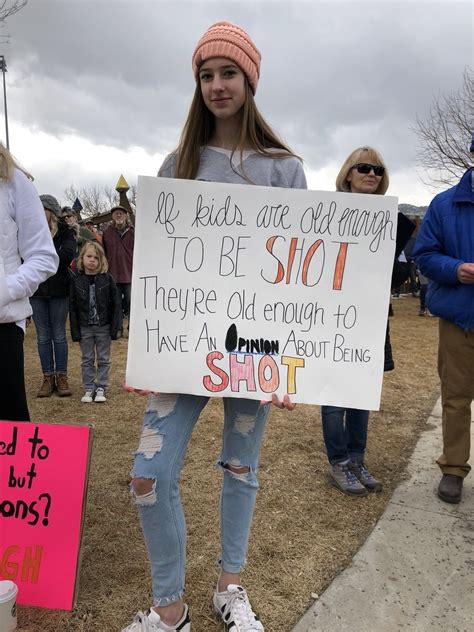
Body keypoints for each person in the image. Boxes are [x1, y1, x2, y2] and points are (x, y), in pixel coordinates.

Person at [122, 21, 305, 632]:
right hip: (182, 349)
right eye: (206, 75)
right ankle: (170, 610)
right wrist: (147, 348)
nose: (217, 86)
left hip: (254, 350)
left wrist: (298, 363)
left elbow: (300, 276)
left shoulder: (284, 170)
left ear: (250, 81)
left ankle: (232, 586)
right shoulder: (177, 166)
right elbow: (157, 267)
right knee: (148, 475)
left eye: (229, 73)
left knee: (240, 466)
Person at [322, 147, 397, 497]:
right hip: (332, 318)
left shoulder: (388, 218)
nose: (372, 174)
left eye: (378, 170)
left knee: (362, 395)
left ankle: (356, 459)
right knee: (334, 395)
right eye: (364, 168)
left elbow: (394, 275)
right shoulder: (326, 213)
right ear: (348, 174)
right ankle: (337, 462)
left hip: (370, 318)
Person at [413, 133, 474, 504]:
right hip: (458, 318)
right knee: (455, 397)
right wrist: (456, 269)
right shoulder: (443, 204)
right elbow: (424, 255)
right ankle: (453, 468)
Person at [0, 145, 58, 422]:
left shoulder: (12, 183)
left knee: (9, 431)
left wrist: (6, 289)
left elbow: (44, 257)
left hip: (2, 327)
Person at [30, 195, 76, 397]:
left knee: (58, 334)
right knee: (42, 336)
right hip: (37, 290)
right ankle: (47, 377)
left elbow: (66, 257)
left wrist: (42, 258)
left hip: (59, 290)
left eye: (43, 208)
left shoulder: (65, 231)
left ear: (51, 211)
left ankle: (62, 376)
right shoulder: (29, 230)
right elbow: (24, 256)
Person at [69, 241, 120, 403]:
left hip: (103, 327)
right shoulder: (76, 280)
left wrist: (115, 328)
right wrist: (75, 331)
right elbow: (73, 307)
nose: (92, 260)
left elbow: (116, 305)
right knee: (87, 359)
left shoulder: (108, 279)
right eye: (88, 256)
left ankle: (102, 387)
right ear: (82, 258)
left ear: (101, 261)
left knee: (104, 358)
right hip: (85, 327)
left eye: (96, 258)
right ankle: (89, 387)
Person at [102, 205, 134, 337]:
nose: (118, 215)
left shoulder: (134, 232)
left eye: (121, 213)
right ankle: (118, 328)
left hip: (130, 274)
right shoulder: (107, 233)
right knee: (116, 303)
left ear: (126, 215)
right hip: (113, 274)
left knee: (131, 303)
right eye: (116, 214)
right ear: (112, 217)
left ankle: (132, 328)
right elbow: (103, 252)